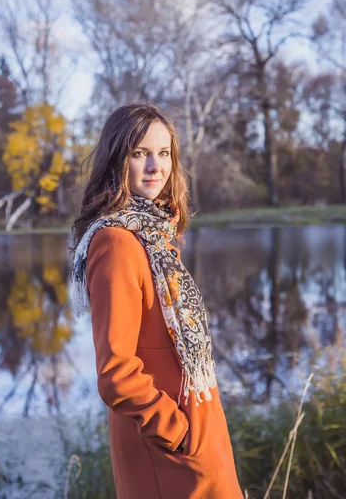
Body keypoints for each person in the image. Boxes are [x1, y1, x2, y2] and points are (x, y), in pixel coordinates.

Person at [71, 103, 243, 499]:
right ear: (117, 159)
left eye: (163, 153)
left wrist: (197, 432)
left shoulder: (156, 237)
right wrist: (177, 433)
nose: (155, 166)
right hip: (167, 449)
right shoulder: (117, 243)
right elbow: (116, 372)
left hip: (199, 432)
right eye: (140, 153)